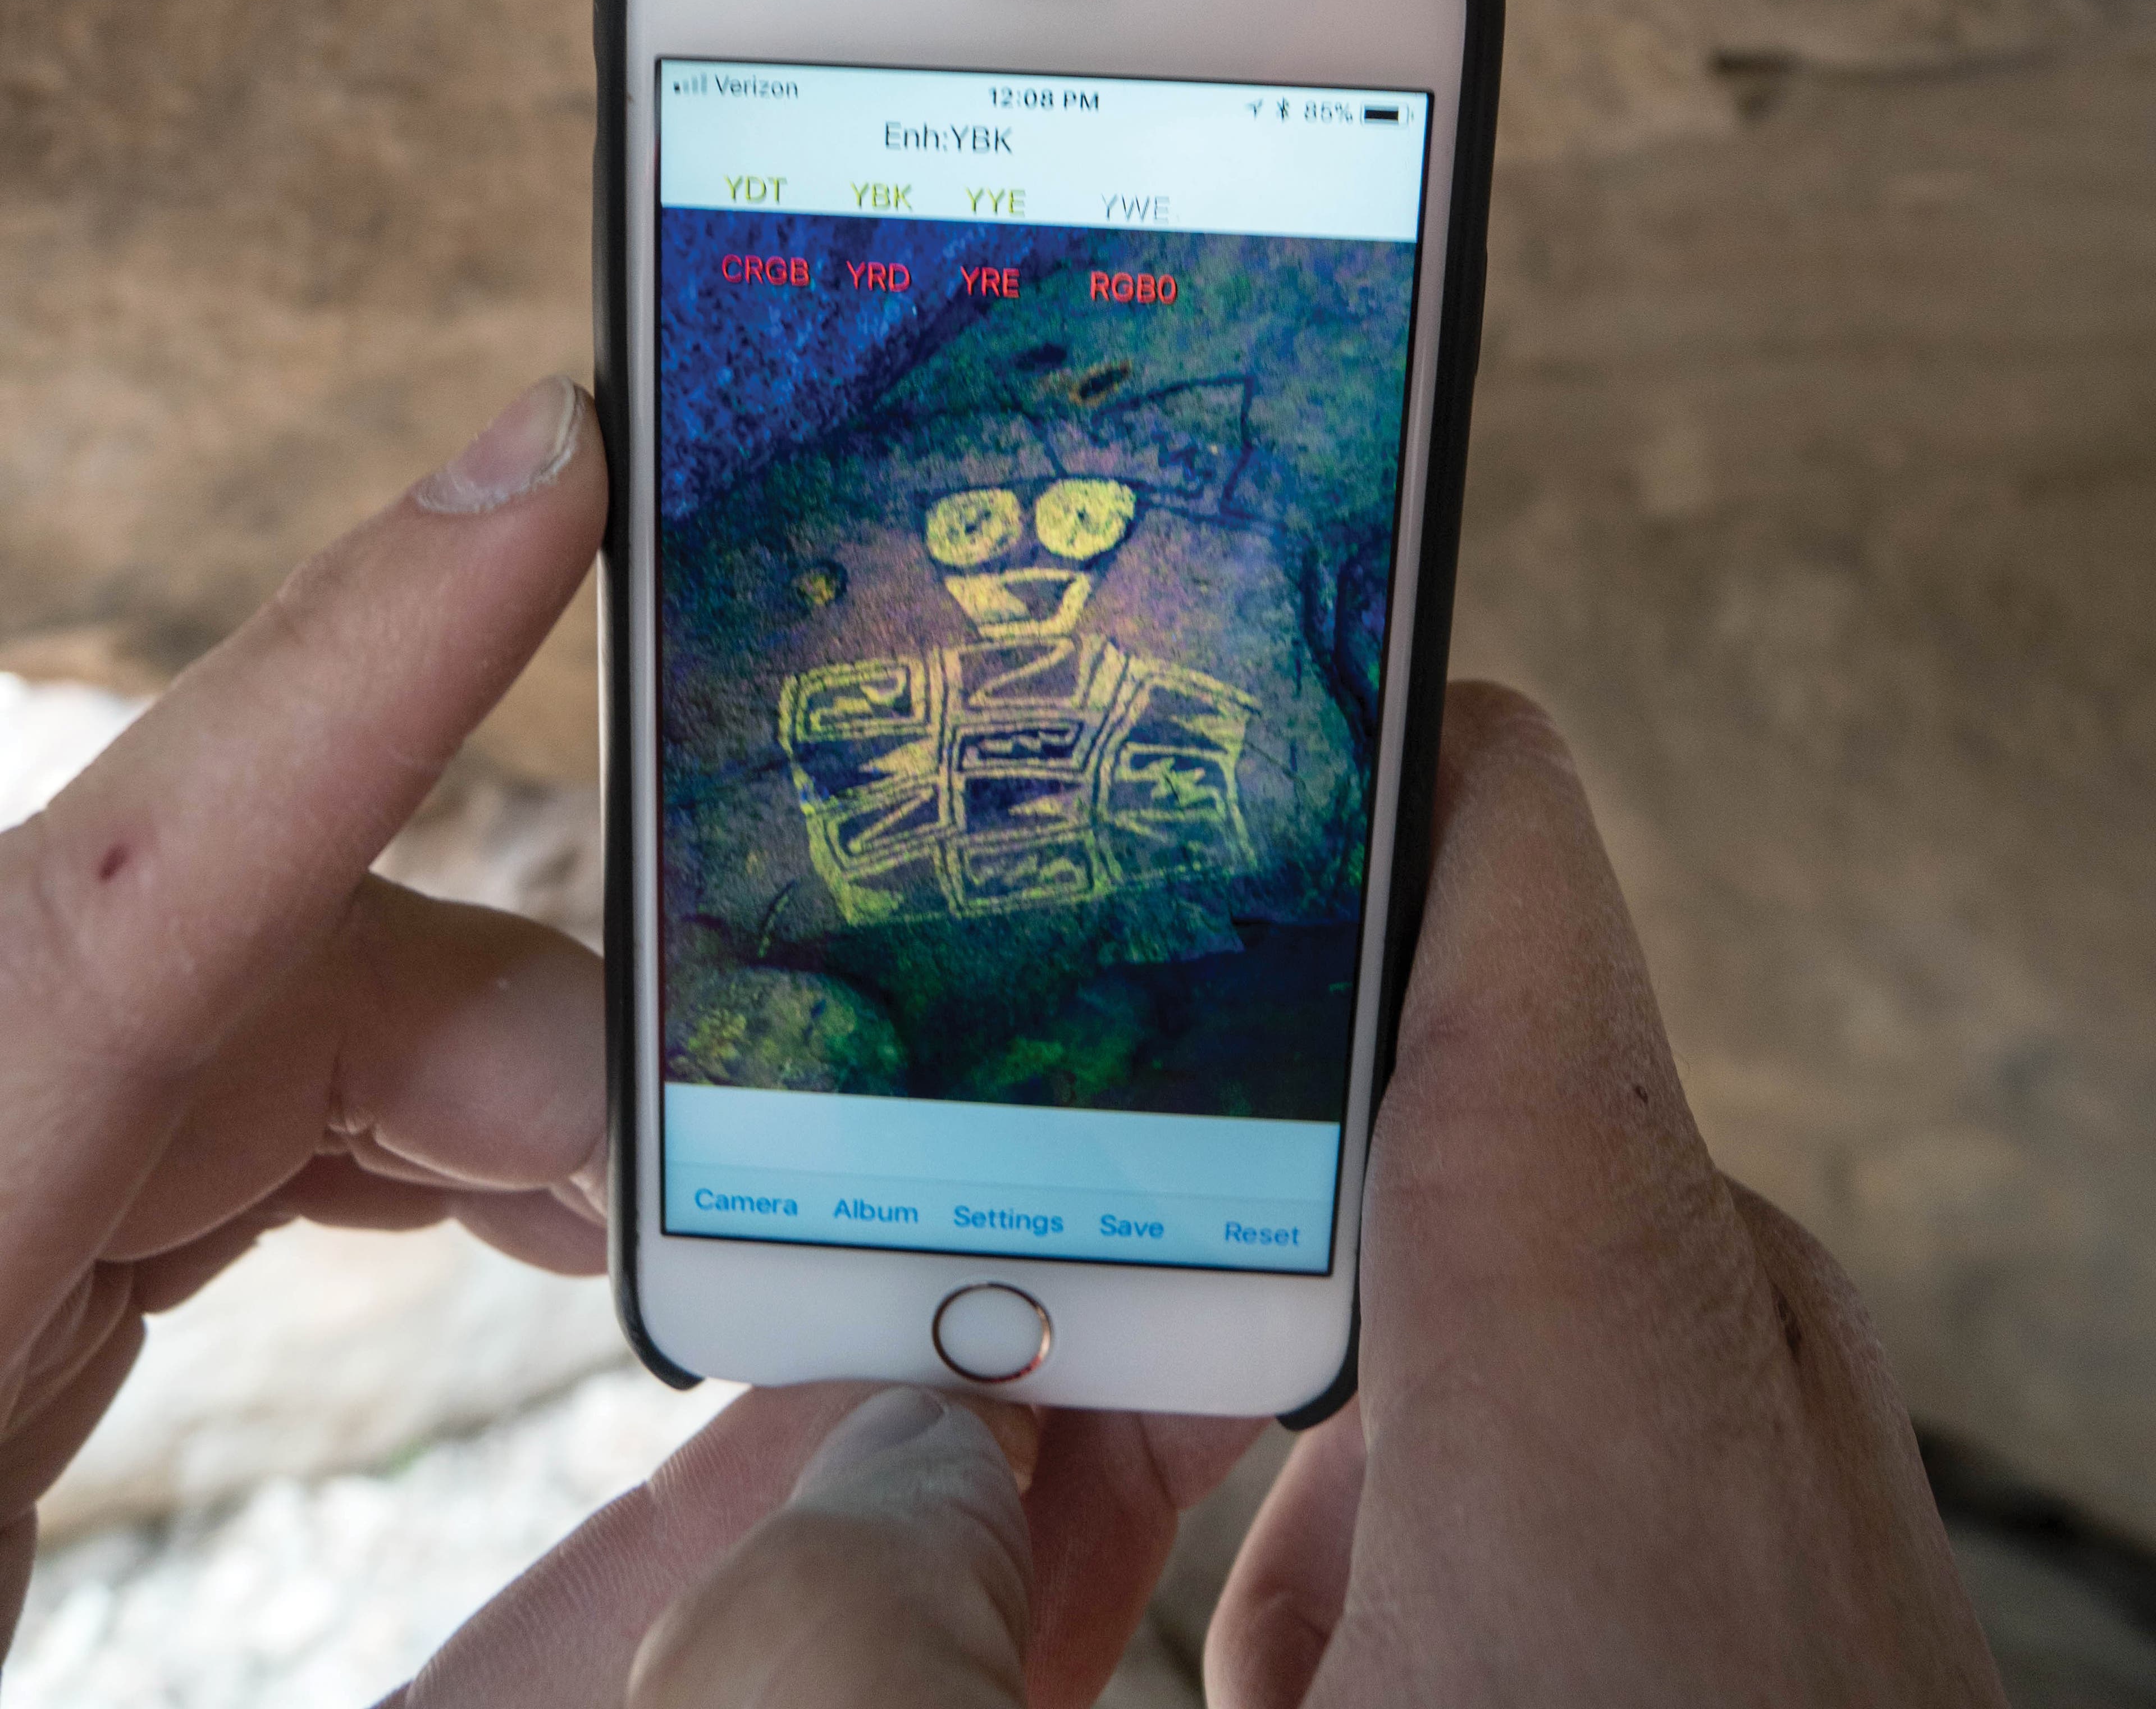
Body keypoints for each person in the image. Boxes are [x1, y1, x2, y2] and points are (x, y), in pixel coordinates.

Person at [0, 376, 2007, 1707]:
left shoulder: (1126, 731)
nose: (1023, 567)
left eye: (1062, 526)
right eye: (985, 539)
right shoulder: (887, 735)